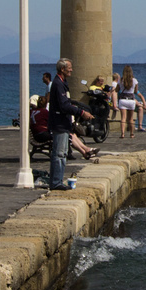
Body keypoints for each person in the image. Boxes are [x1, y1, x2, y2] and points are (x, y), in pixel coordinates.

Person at [48, 58, 89, 191]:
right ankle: (56, 182)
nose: (71, 70)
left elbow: (65, 101)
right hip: (59, 123)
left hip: (64, 123)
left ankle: (57, 180)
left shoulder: (62, 83)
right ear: (62, 69)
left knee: (63, 153)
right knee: (59, 154)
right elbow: (63, 105)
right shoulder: (58, 84)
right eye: (69, 67)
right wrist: (81, 112)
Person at [116, 66, 139, 138]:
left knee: (123, 118)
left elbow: (117, 90)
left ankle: (122, 133)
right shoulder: (134, 81)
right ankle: (132, 134)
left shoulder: (121, 80)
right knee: (130, 119)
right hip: (131, 100)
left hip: (122, 100)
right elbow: (135, 91)